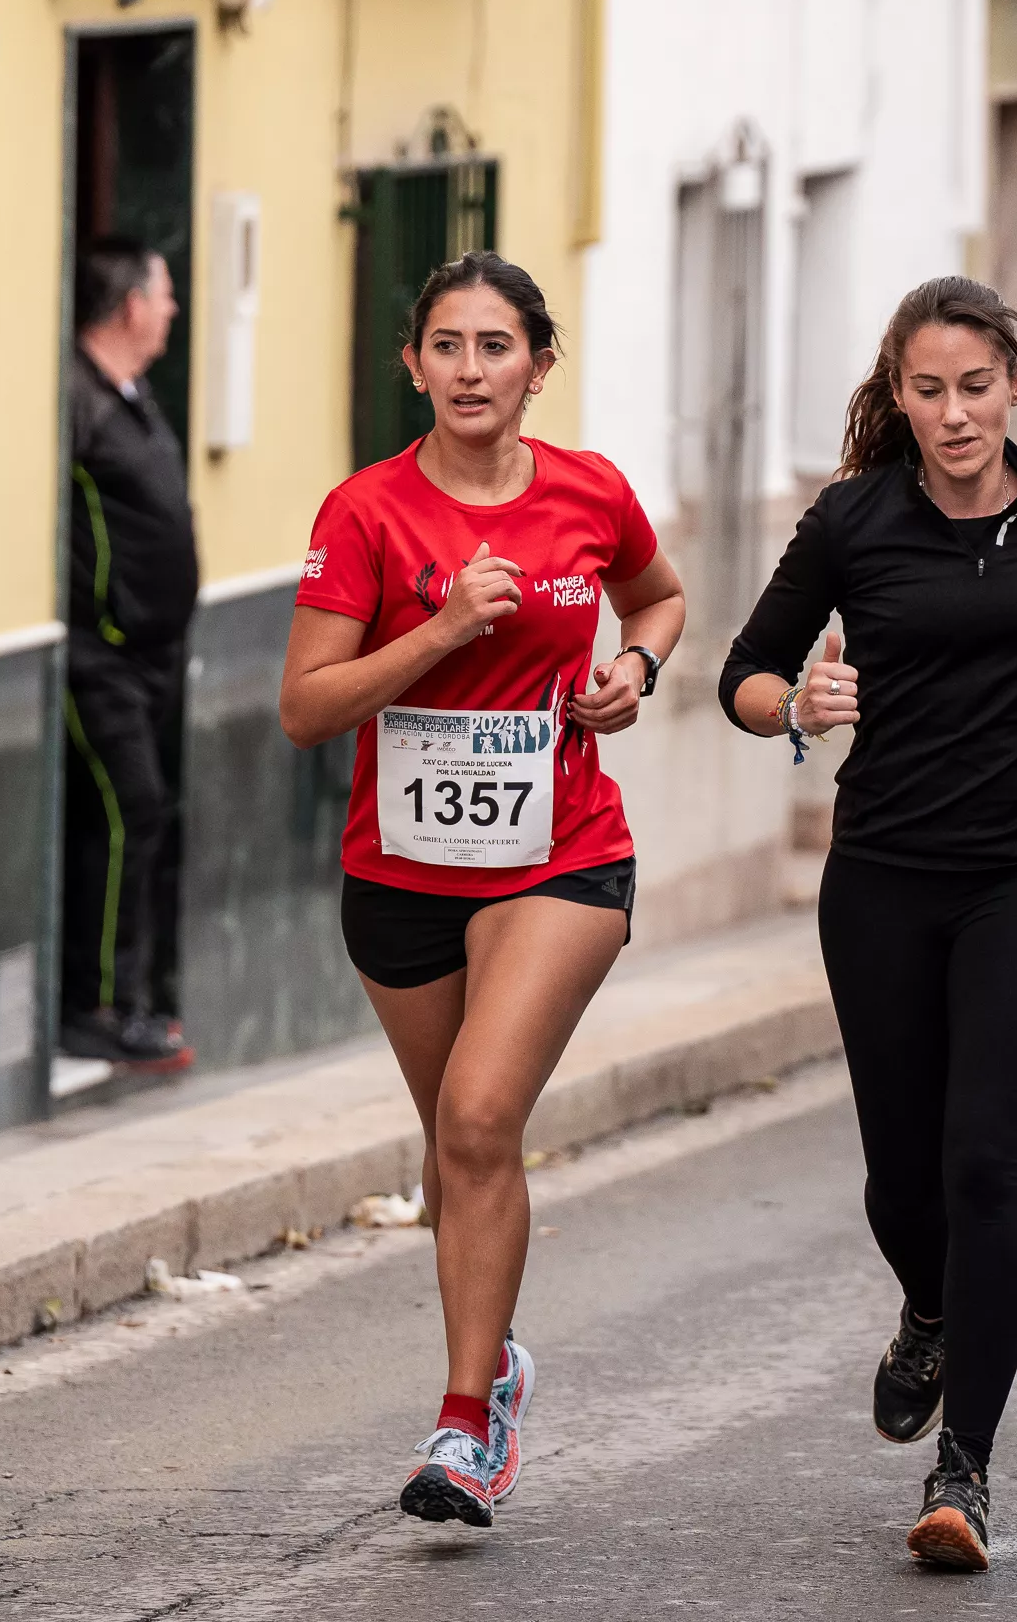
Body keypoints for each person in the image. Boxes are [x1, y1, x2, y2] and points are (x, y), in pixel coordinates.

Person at [721, 276, 1017, 1571]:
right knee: (899, 1176)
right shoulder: (855, 519)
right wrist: (799, 707)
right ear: (896, 394)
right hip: (887, 878)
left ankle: (963, 1469)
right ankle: (928, 1307)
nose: (954, 414)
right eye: (928, 390)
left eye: (976, 387)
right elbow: (743, 672)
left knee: (983, 1163)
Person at [278, 253, 686, 1530]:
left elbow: (660, 598)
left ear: (538, 366)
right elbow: (304, 709)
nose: (470, 369)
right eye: (446, 345)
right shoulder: (366, 512)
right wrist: (445, 627)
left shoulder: (590, 492)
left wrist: (635, 668)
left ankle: (465, 1422)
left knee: (477, 1114)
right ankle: (495, 1350)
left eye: (495, 346)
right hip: (399, 873)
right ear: (414, 365)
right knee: (458, 1152)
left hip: (562, 853)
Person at [61, 236, 200, 1072]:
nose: (174, 311)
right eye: (167, 295)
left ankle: (133, 997)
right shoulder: (78, 401)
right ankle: (100, 1005)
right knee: (128, 813)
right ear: (131, 306)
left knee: (140, 820)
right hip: (101, 655)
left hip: (152, 653)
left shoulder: (129, 391)